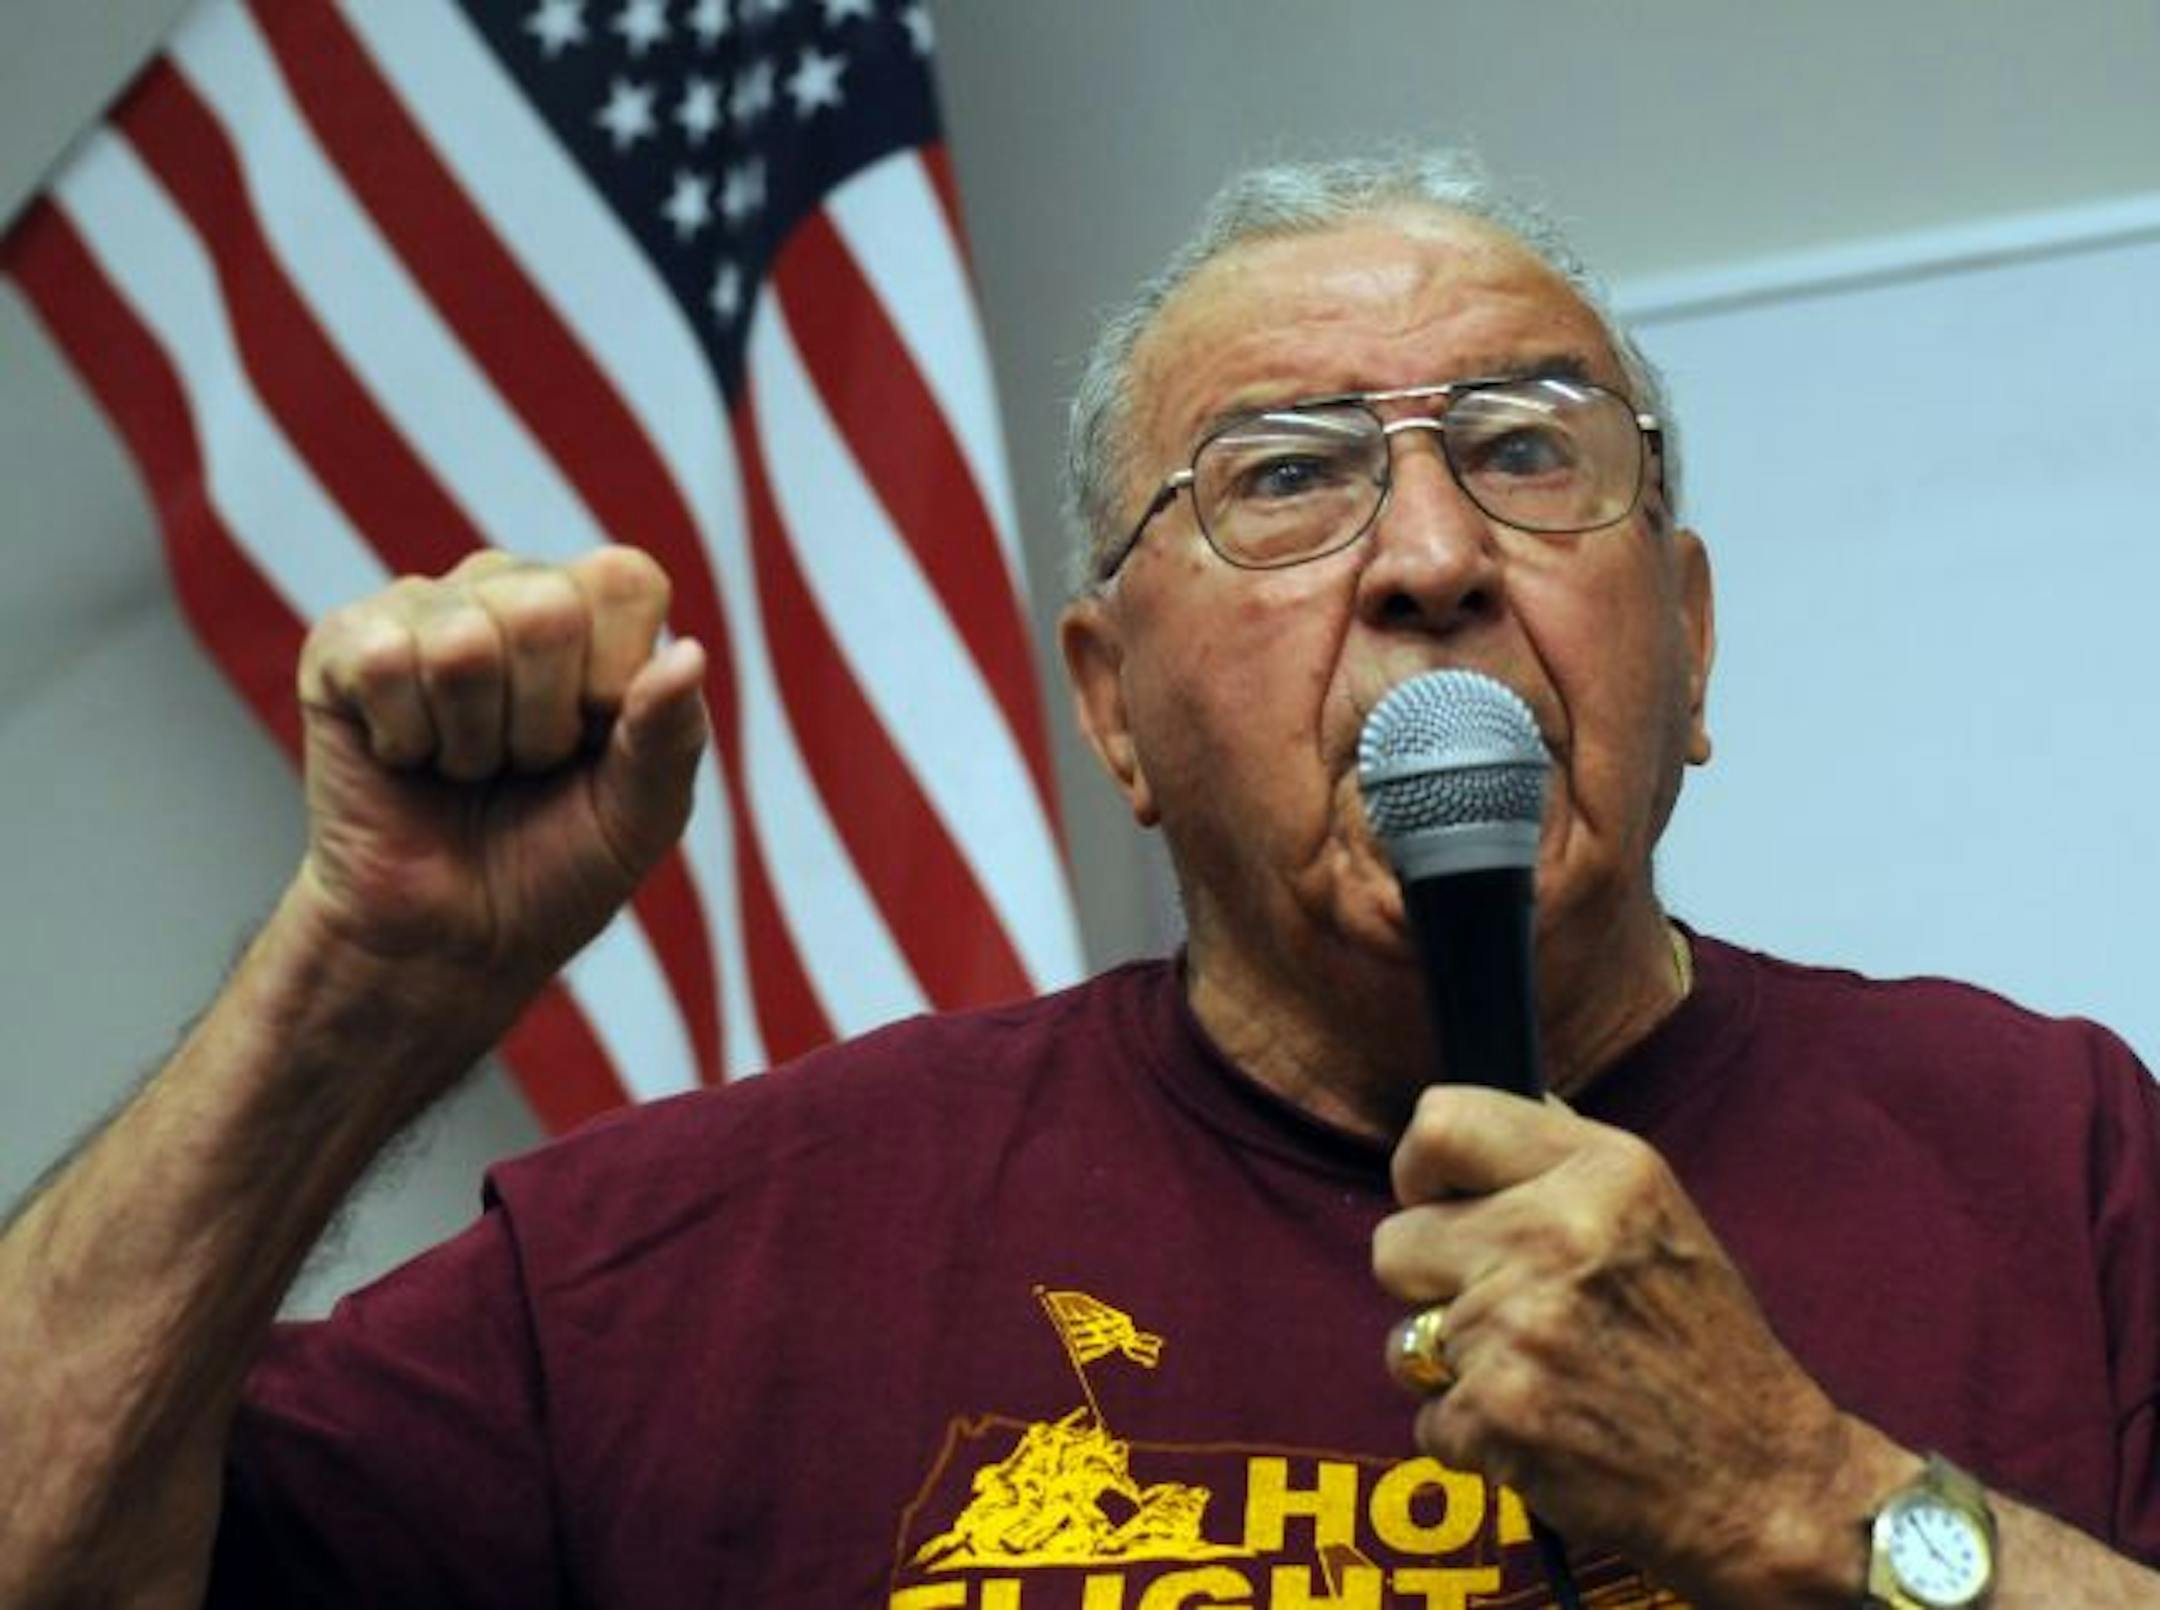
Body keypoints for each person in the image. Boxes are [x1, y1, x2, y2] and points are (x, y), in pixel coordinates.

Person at [2, 149, 2155, 1609]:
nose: (1430, 559)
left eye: (1524, 448)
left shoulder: (2057, 1157)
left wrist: (1808, 1499)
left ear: (1687, 636)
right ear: (1110, 705)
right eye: (1289, 481)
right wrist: (352, 988)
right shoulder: (690, 1267)